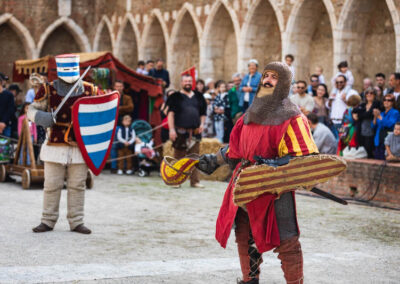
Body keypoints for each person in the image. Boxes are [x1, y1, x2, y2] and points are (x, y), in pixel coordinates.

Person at [196, 62, 321, 284]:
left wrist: (274, 163)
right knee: (244, 235)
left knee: (287, 240)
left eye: (274, 77)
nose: (268, 80)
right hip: (244, 183)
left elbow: (305, 158)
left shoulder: (293, 117)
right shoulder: (249, 116)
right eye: (266, 75)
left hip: (274, 187)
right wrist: (213, 160)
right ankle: (249, 279)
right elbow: (235, 150)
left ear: (283, 84)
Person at [27, 54, 99, 234]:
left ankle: (76, 221)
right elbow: (31, 110)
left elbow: (101, 112)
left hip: (80, 145)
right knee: (51, 185)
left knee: (77, 185)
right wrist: (43, 117)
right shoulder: (48, 89)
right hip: (54, 145)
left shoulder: (90, 90)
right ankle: (48, 220)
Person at [167, 74, 206, 188]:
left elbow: (203, 113)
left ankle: (195, 182)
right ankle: (176, 181)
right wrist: (171, 130)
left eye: (190, 81)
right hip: (180, 132)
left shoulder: (199, 96)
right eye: (185, 81)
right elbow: (170, 114)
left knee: (194, 158)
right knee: (178, 158)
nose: (188, 83)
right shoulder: (175, 96)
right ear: (181, 83)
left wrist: (202, 124)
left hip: (195, 132)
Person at [110, 80, 134, 173]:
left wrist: (118, 109)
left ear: (123, 87)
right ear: (114, 87)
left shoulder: (127, 98)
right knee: (114, 146)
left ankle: (125, 167)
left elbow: (130, 107)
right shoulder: (110, 97)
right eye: (117, 86)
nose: (118, 88)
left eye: (120, 86)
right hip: (113, 125)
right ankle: (114, 167)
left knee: (125, 147)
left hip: (124, 126)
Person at [352, 87, 382, 158]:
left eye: (371, 93)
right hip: (362, 130)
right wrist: (361, 113)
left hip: (372, 130)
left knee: (369, 149)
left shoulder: (377, 103)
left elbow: (369, 114)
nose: (369, 94)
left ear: (375, 95)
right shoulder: (363, 105)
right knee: (362, 148)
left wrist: (360, 114)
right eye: (367, 93)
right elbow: (354, 110)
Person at [372, 93, 400, 160]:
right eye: (384, 100)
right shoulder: (382, 113)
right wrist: (375, 117)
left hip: (390, 141)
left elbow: (390, 124)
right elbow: (373, 126)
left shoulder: (395, 112)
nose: (386, 102)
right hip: (378, 139)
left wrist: (379, 116)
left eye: (389, 100)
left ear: (393, 102)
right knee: (377, 159)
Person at [0, 73, 15, 137]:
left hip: (6, 125)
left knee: (5, 146)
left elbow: (11, 110)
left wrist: (3, 122)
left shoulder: (8, 95)